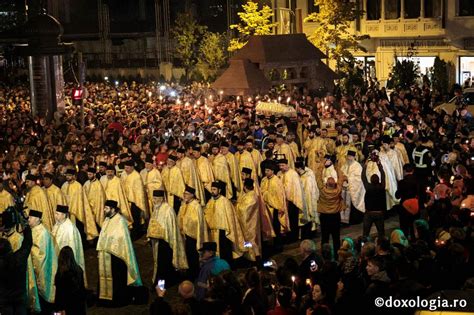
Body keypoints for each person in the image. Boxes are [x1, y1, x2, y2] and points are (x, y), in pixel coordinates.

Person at [96, 200, 142, 307]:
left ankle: (117, 299)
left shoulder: (120, 221)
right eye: (105, 207)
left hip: (117, 256)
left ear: (113, 209)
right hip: (106, 255)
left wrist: (110, 246)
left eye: (106, 208)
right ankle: (104, 299)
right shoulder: (106, 220)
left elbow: (122, 240)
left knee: (117, 278)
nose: (104, 210)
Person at [147, 190, 188, 288]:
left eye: (156, 199)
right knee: (160, 264)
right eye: (154, 198)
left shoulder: (168, 210)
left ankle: (161, 285)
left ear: (161, 198)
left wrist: (161, 233)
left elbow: (170, 228)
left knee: (163, 266)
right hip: (157, 242)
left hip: (166, 243)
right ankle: (163, 281)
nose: (154, 201)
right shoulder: (156, 209)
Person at [204, 181, 245, 266]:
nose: (212, 191)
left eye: (214, 189)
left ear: (219, 190)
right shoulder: (210, 201)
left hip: (223, 231)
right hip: (212, 231)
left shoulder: (225, 201)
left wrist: (229, 229)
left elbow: (230, 217)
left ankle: (226, 268)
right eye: (212, 189)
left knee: (224, 251)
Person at [0, 217, 34, 315]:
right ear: (10, 248)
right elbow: (27, 244)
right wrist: (25, 225)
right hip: (19, 300)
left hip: (5, 303)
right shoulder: (19, 258)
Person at [29, 209, 58, 313]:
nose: (29, 219)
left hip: (43, 267)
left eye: (31, 217)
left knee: (43, 289)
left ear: (37, 219)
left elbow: (41, 254)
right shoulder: (34, 229)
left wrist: (28, 251)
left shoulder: (42, 233)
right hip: (37, 266)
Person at [51, 205, 87, 287]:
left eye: (57, 214)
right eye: (55, 214)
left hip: (67, 264)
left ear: (64, 215)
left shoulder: (70, 228)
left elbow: (73, 248)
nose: (55, 216)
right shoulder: (57, 225)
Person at [178, 185, 208, 280]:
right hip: (184, 234)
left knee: (193, 255)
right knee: (187, 254)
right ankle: (188, 272)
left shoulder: (196, 206)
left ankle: (195, 274)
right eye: (184, 194)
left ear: (192, 195)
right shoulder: (184, 204)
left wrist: (188, 223)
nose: (185, 195)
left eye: (187, 194)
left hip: (193, 236)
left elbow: (198, 221)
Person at [61, 169, 98, 241]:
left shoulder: (78, 186)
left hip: (76, 212)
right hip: (66, 212)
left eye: (69, 175)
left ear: (74, 176)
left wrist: (72, 208)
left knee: (77, 229)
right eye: (67, 175)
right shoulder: (64, 185)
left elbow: (80, 200)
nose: (68, 177)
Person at [260, 161, 289, 253]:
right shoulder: (264, 180)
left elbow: (280, 195)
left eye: (268, 170)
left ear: (272, 171)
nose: (266, 172)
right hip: (266, 207)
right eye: (265, 170)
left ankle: (278, 246)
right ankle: (270, 244)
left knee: (276, 228)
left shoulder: (276, 181)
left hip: (275, 208)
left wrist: (280, 207)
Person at [278, 157, 308, 243]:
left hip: (292, 201)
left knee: (292, 220)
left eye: (283, 165)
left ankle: (293, 237)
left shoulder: (293, 174)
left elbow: (297, 189)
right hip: (282, 201)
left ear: (287, 165)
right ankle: (285, 235)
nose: (281, 167)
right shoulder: (279, 173)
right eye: (280, 165)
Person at [315, 164, 345, 251]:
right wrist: (337, 167)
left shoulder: (322, 190)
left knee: (325, 237)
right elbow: (341, 177)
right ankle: (336, 254)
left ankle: (325, 254)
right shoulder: (338, 190)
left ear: (326, 184)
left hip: (325, 217)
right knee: (336, 237)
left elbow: (318, 177)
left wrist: (322, 165)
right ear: (335, 184)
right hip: (335, 216)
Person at [54, 246, 86, 315]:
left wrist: (58, 309)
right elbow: (82, 290)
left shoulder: (61, 274)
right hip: (79, 307)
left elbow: (59, 294)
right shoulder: (79, 270)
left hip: (67, 308)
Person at [236, 178, 262, 263]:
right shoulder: (248, 195)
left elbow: (244, 210)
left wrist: (236, 206)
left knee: (252, 241)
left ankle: (255, 258)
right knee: (248, 241)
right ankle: (250, 256)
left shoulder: (252, 197)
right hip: (247, 223)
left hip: (250, 223)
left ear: (245, 186)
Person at [121, 160, 148, 238]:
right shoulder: (123, 174)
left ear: (132, 167)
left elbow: (139, 192)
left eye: (128, 168)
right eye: (125, 167)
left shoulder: (136, 176)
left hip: (134, 202)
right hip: (125, 200)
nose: (126, 169)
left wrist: (137, 201)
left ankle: (136, 235)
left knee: (135, 218)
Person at [361, 160, 387, 239]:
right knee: (381, 233)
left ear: (371, 181)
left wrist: (365, 166)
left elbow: (363, 177)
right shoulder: (382, 187)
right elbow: (383, 175)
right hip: (379, 213)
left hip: (369, 213)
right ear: (378, 180)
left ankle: (363, 247)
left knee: (365, 234)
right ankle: (383, 246)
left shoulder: (368, 187)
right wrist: (379, 166)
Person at [340, 150, 365, 225]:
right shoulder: (344, 165)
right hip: (344, 189)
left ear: (354, 157)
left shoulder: (357, 166)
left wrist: (348, 179)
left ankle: (353, 220)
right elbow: (341, 174)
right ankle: (344, 220)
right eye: (348, 156)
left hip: (353, 190)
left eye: (350, 157)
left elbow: (359, 179)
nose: (349, 158)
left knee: (352, 207)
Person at [295, 160, 319, 239]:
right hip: (303, 201)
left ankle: (307, 236)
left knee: (307, 218)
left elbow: (308, 193)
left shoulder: (307, 178)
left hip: (307, 202)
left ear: (299, 168)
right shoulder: (302, 176)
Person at [395, 164, 419, 240]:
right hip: (415, 205)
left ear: (404, 171)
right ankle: (414, 240)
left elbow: (397, 195)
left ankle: (404, 242)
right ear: (413, 171)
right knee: (414, 225)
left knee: (404, 226)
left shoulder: (402, 182)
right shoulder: (417, 181)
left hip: (404, 207)